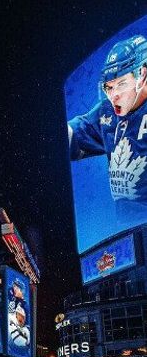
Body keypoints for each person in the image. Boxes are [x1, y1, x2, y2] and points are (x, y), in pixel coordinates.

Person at [68, 35, 147, 220]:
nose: (114, 95)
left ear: (142, 74)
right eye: (109, 87)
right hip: (129, 231)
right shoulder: (107, 112)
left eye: (121, 84)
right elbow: (71, 135)